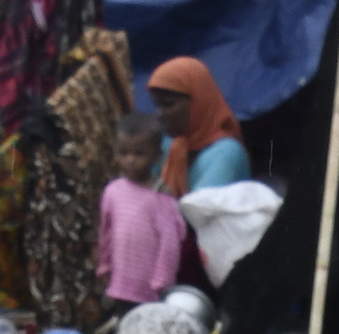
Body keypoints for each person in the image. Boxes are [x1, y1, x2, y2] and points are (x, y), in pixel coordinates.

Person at [98, 110, 183, 309]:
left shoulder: (161, 197)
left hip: (149, 290)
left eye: (139, 153)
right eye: (124, 153)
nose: (131, 160)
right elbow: (106, 232)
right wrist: (105, 265)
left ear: (157, 156)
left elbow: (170, 244)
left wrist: (161, 282)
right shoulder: (112, 191)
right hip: (119, 283)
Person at [146, 58, 249, 194]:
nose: (159, 114)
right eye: (157, 105)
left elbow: (197, 211)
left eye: (168, 105)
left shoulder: (226, 153)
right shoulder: (170, 144)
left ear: (198, 103)